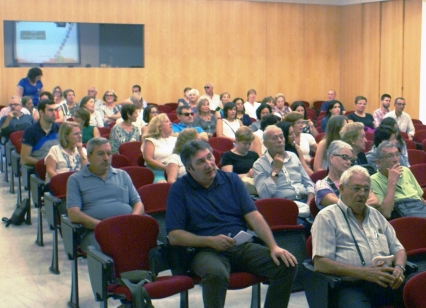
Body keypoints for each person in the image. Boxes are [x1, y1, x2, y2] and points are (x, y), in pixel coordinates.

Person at [166, 140, 297, 308]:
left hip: (239, 244)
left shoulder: (231, 180)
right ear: (189, 169)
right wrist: (210, 241)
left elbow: (254, 216)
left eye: (209, 157)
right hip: (205, 250)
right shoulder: (179, 189)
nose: (209, 165)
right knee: (216, 273)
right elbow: (174, 236)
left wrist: (273, 246)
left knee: (286, 264)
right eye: (200, 162)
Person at [311, 165, 406, 308]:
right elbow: (321, 263)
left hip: (386, 280)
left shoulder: (376, 215)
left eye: (366, 189)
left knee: (417, 294)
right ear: (342, 189)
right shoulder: (327, 217)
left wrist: (399, 268)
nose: (362, 193)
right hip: (350, 286)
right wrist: (364, 273)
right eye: (356, 188)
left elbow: (398, 249)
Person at [66, 137, 144, 252]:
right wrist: (105, 226)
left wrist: (132, 220)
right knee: (113, 248)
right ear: (89, 157)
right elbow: (74, 214)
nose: (106, 158)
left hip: (128, 226)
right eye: (100, 154)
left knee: (148, 242)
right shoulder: (76, 179)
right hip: (95, 231)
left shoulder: (122, 175)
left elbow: (138, 203)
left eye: (109, 153)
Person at [253, 125, 315, 206]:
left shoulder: (293, 156)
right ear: (265, 144)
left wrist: (310, 201)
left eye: (281, 137)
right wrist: (276, 170)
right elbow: (264, 194)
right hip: (283, 206)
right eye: (274, 138)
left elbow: (308, 182)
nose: (280, 140)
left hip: (305, 201)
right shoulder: (259, 165)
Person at [314, 140, 379, 211]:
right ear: (332, 158)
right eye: (344, 157)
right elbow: (339, 205)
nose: (348, 162)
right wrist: (361, 205)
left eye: (350, 159)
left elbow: (375, 201)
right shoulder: (321, 184)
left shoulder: (357, 180)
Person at [371, 141, 426, 219]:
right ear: (379, 162)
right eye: (390, 156)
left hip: (419, 208)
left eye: (397, 154)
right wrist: (392, 182)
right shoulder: (373, 180)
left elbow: (420, 199)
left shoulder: (406, 171)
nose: (396, 159)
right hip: (402, 216)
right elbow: (386, 213)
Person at [221, 126, 259, 194]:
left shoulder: (254, 155)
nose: (247, 146)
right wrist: (247, 174)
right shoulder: (228, 156)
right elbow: (228, 178)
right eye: (244, 143)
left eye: (249, 143)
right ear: (237, 141)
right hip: (237, 188)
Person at [21, 99, 60, 165]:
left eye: (55, 110)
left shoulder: (60, 129)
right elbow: (24, 159)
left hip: (60, 165)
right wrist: (45, 164)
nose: (54, 113)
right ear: (41, 112)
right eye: (50, 110)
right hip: (41, 168)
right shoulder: (30, 131)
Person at [142, 113, 177, 182]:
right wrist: (167, 168)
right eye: (167, 122)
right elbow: (148, 160)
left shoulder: (175, 139)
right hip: (159, 173)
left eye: (170, 121)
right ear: (159, 126)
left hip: (176, 171)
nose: (170, 123)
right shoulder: (151, 140)